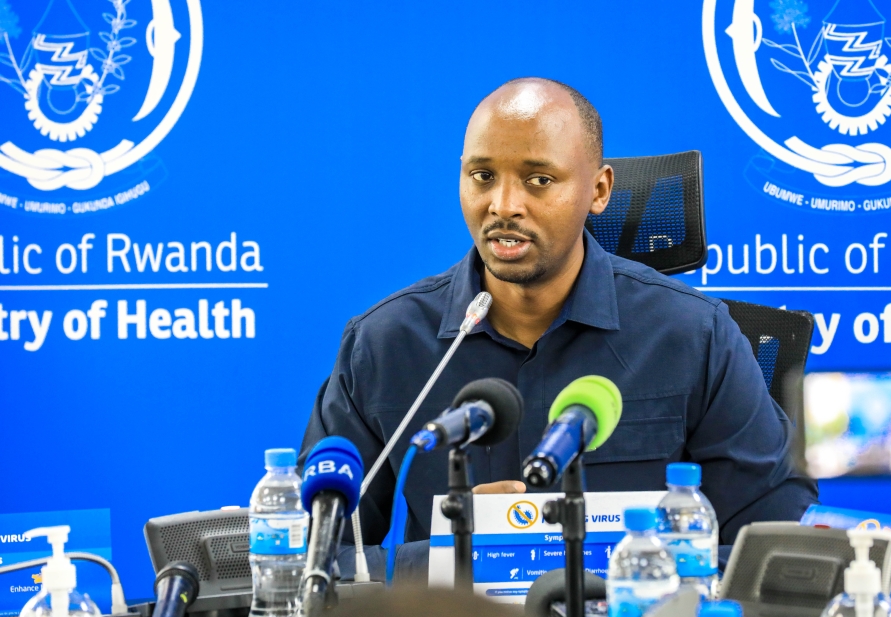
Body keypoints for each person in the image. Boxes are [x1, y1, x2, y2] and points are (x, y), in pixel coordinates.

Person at [300, 77, 818, 581]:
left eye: (538, 180)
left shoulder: (694, 335)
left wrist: (628, 566)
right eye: (482, 176)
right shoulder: (386, 344)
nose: (503, 205)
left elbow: (772, 547)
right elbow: (312, 560)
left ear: (598, 190)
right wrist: (450, 558)